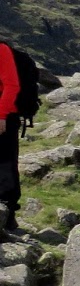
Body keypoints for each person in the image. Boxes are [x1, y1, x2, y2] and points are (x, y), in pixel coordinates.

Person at [0, 39, 21, 234]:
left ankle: (8, 217)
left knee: (5, 164)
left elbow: (12, 85)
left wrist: (2, 116)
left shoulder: (2, 50)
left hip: (5, 117)